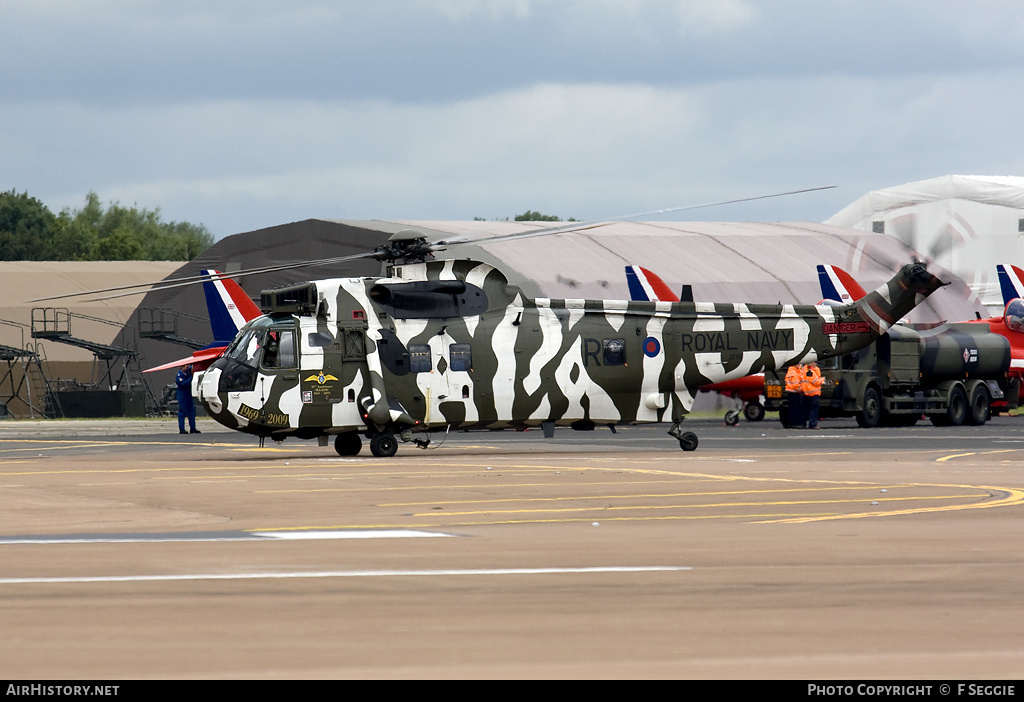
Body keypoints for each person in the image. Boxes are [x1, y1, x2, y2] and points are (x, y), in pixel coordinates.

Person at [176, 364, 200, 435]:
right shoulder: (179, 375)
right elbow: (184, 383)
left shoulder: (188, 371)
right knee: (182, 412)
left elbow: (193, 368)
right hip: (183, 396)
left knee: (191, 412)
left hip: (189, 395)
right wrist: (191, 377)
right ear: (181, 367)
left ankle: (193, 428)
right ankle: (182, 429)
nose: (187, 367)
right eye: (185, 366)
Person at [802, 361, 824, 429]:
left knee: (805, 410)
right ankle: (813, 424)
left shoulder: (804, 369)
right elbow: (815, 382)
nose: (816, 364)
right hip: (812, 393)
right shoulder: (810, 371)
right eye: (814, 362)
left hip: (806, 393)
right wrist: (822, 380)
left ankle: (803, 423)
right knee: (813, 410)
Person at [785, 363, 806, 429]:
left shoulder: (791, 371)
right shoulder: (794, 373)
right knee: (795, 409)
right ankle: (794, 423)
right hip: (795, 393)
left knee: (791, 409)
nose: (800, 365)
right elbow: (796, 385)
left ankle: (791, 423)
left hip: (791, 392)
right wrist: (803, 390)